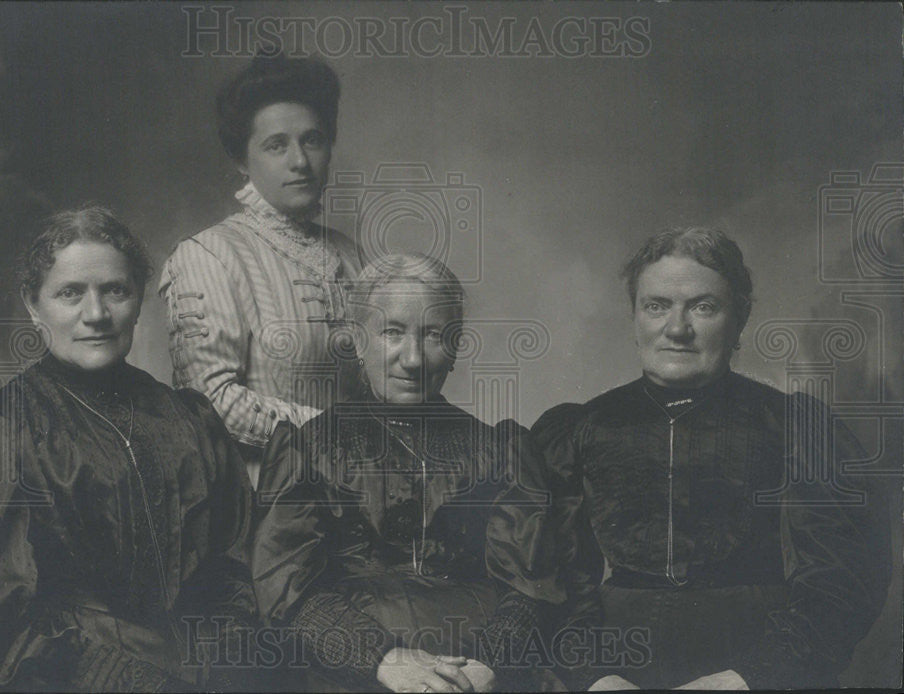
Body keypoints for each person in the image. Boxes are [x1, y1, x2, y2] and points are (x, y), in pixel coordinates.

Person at [532, 227, 891, 690]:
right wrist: (594, 676)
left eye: (703, 307)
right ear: (635, 316)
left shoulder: (795, 425)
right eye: (657, 305)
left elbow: (843, 580)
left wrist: (748, 678)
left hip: (758, 654)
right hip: (614, 657)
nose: (677, 329)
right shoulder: (579, 429)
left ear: (738, 318)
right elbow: (549, 577)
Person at [0, 208, 257, 692]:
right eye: (70, 293)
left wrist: (228, 667)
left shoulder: (189, 419)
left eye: (115, 290)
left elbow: (237, 570)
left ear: (140, 298)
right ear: (33, 304)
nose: (97, 314)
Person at [252, 254, 563, 692]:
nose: (413, 359)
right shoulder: (308, 448)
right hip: (354, 668)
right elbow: (285, 587)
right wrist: (381, 658)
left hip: (482, 668)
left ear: (454, 347)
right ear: (358, 341)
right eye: (392, 332)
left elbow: (532, 584)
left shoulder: (500, 449)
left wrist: (483, 667)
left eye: (434, 334)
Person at [160, 53, 360, 488]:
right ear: (240, 159)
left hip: (360, 489)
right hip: (264, 503)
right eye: (276, 145)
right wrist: (337, 433)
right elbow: (209, 402)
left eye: (313, 140)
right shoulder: (208, 255)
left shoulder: (350, 255)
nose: (300, 162)